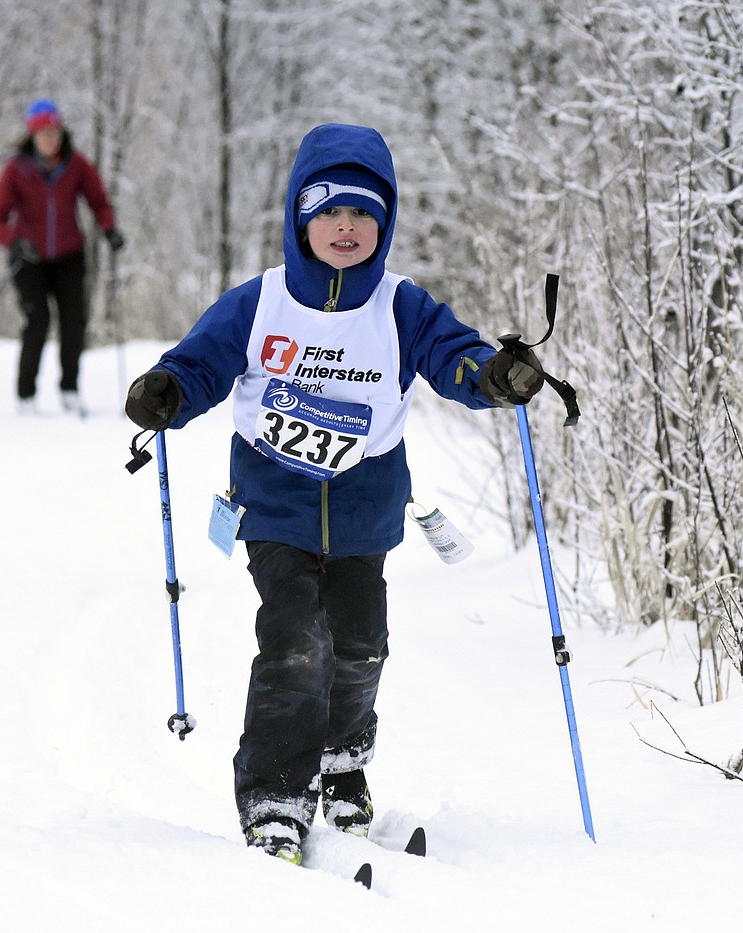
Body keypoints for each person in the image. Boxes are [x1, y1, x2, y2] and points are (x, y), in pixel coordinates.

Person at [123, 123, 545, 865]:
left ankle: (342, 765)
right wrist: (168, 389)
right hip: (276, 503)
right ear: (299, 217)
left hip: (364, 507)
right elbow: (203, 362)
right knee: (294, 639)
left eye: (362, 215)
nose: (345, 228)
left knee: (358, 645)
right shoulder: (263, 302)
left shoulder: (400, 305)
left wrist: (490, 375)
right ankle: (276, 793)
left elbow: (454, 355)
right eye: (328, 212)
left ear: (382, 223)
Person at [0, 98, 125, 415]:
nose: (51, 139)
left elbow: (99, 201)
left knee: (74, 323)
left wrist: (109, 229)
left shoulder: (76, 164)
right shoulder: (16, 169)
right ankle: (25, 394)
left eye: (55, 132)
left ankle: (69, 389)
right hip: (29, 258)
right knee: (38, 321)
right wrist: (15, 241)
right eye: (44, 133)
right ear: (32, 136)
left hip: (69, 256)